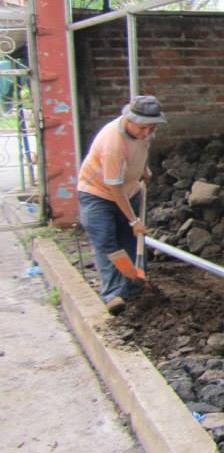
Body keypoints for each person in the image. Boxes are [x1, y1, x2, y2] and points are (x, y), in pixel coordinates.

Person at [77, 95, 166, 314]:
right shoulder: (113, 142)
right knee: (107, 241)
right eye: (143, 127)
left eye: (152, 127)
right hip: (98, 193)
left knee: (131, 241)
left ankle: (134, 288)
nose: (147, 133)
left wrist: (142, 169)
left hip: (129, 190)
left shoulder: (145, 132)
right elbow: (113, 188)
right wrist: (134, 220)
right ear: (129, 119)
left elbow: (142, 149)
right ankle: (112, 294)